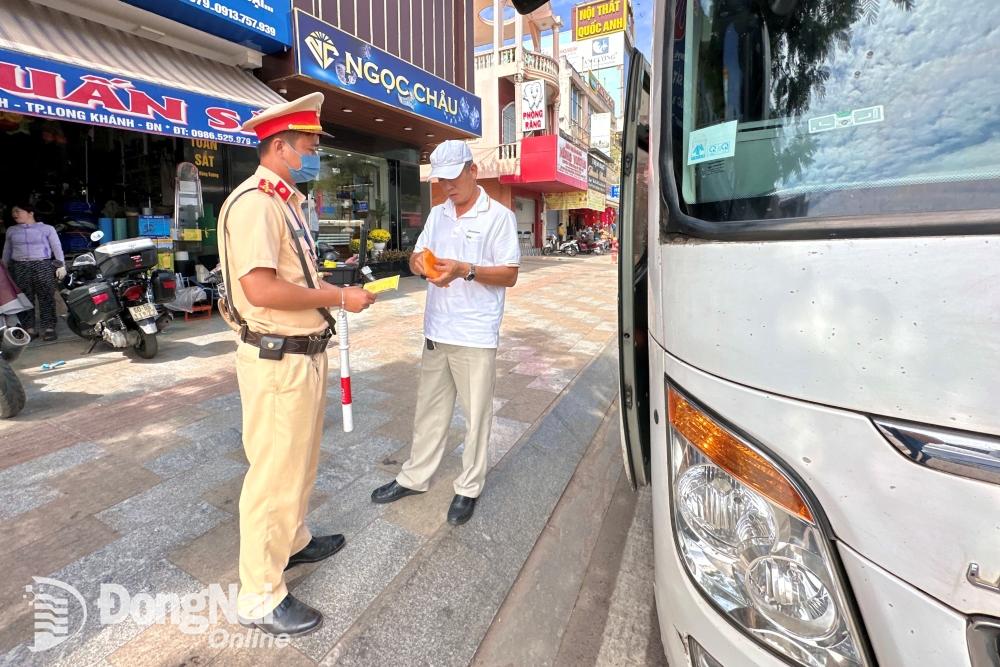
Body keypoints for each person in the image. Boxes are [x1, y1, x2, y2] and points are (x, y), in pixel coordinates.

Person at [218, 92, 376, 638]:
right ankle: (259, 595)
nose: (314, 152)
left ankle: (293, 541)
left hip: (299, 356)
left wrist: (333, 289)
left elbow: (295, 279)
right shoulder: (257, 203)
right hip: (276, 358)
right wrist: (338, 300)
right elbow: (259, 289)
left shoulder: (284, 201)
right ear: (281, 146)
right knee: (274, 474)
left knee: (300, 463)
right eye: (308, 144)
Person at [370, 140, 520, 526]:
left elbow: (509, 274)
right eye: (442, 181)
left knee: (476, 418)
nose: (449, 187)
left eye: (455, 178)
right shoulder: (438, 214)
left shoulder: (498, 216)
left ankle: (469, 487)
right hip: (437, 329)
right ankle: (414, 477)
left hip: (475, 334)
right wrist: (420, 264)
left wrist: (465, 270)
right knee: (429, 411)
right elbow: (416, 255)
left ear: (472, 171)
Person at [2, 203, 65, 341]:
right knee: (25, 299)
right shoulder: (11, 230)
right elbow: (7, 250)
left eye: (18, 211)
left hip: (42, 264)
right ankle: (29, 329)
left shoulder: (47, 229)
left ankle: (49, 328)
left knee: (46, 297)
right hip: (19, 266)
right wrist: (4, 268)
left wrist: (61, 265)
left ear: (30, 213)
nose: (15, 214)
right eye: (13, 212)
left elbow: (56, 246)